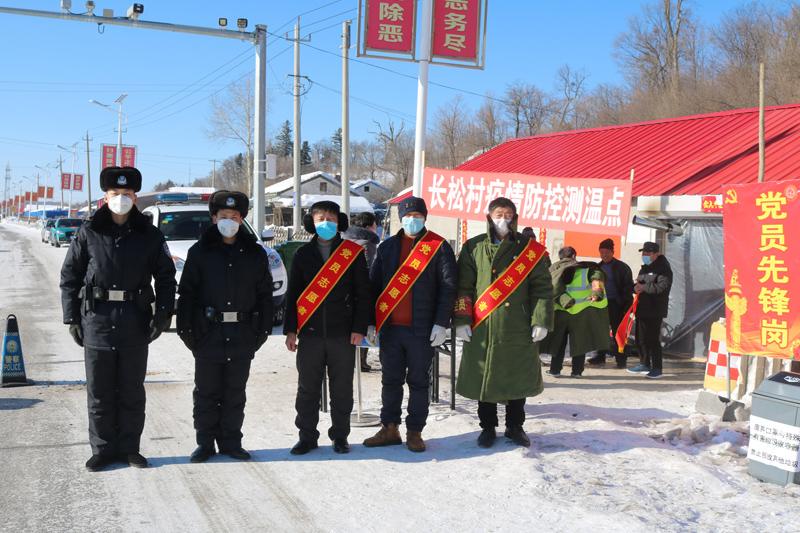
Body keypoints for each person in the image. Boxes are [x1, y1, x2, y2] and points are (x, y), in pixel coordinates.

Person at [60, 166, 176, 472]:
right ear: (105, 196)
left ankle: (129, 449)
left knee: (131, 391)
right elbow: (70, 276)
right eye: (115, 194)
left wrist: (163, 314)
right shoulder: (89, 231)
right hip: (96, 322)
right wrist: (72, 317)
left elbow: (166, 277)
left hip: (135, 322)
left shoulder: (149, 234)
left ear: (135, 196)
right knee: (99, 392)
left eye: (126, 194)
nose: (121, 199)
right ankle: (102, 449)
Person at [176, 191, 273, 463]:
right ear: (214, 218)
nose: (228, 220)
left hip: (243, 334)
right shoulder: (199, 252)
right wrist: (189, 333)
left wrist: (261, 332)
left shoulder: (255, 253)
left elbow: (265, 296)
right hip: (208, 334)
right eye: (223, 216)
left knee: (234, 393)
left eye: (234, 216)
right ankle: (205, 443)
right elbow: (187, 296)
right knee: (206, 393)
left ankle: (232, 442)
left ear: (241, 219)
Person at [453, 197, 553, 448]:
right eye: (499, 214)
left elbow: (542, 288)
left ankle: (515, 426)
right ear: (488, 216)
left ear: (515, 218)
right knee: (484, 378)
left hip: (517, 326)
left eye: (508, 215)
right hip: (483, 325)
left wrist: (540, 320)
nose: (503, 219)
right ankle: (487, 427)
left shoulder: (529, 250)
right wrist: (462, 319)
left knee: (516, 379)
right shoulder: (473, 247)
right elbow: (463, 288)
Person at [362, 196, 457, 453]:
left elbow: (448, 288)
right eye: (408, 216)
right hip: (391, 329)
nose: (412, 220)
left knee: (418, 382)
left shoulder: (438, 247)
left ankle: (415, 431)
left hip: (422, 330)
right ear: (400, 218)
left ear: (425, 217)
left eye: (417, 216)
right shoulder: (388, 247)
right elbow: (373, 287)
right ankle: (389, 428)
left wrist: (441, 323)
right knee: (390, 380)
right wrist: (371, 322)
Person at [284, 200, 372, 455]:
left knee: (341, 389)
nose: (326, 223)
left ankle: (340, 436)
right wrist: (291, 329)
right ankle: (307, 436)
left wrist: (359, 328)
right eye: (320, 218)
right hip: (310, 335)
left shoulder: (351, 253)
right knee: (307, 389)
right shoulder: (302, 254)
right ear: (311, 221)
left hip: (342, 334)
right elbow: (294, 295)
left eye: (331, 219)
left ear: (339, 222)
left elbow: (362, 294)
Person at [541, 246, 609, 378]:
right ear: (573, 256)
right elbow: (597, 277)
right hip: (580, 312)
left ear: (560, 257)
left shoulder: (553, 269)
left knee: (558, 342)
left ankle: (555, 370)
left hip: (560, 312)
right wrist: (597, 292)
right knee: (580, 342)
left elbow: (548, 288)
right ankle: (577, 371)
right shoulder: (585, 268)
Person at [627, 241, 673, 379]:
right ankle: (644, 363)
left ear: (656, 254)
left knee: (653, 340)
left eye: (648, 253)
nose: (644, 255)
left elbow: (662, 288)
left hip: (655, 309)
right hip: (642, 308)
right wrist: (634, 287)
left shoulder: (663, 268)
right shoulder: (645, 268)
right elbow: (640, 283)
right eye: (643, 252)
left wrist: (643, 288)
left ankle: (657, 368)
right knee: (641, 339)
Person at [342, 211, 381, 372]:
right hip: (361, 290)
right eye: (374, 224)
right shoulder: (367, 243)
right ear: (368, 226)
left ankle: (353, 358)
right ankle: (361, 360)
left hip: (344, 291)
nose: (376, 228)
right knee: (363, 324)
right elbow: (369, 269)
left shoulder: (345, 238)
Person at [586, 239, 633, 368]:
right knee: (601, 331)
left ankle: (621, 358)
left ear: (613, 252)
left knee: (618, 332)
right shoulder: (598, 267)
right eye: (601, 252)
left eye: (607, 252)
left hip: (617, 304)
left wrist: (623, 303)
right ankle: (600, 356)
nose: (604, 255)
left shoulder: (622, 267)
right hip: (602, 305)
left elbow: (628, 287)